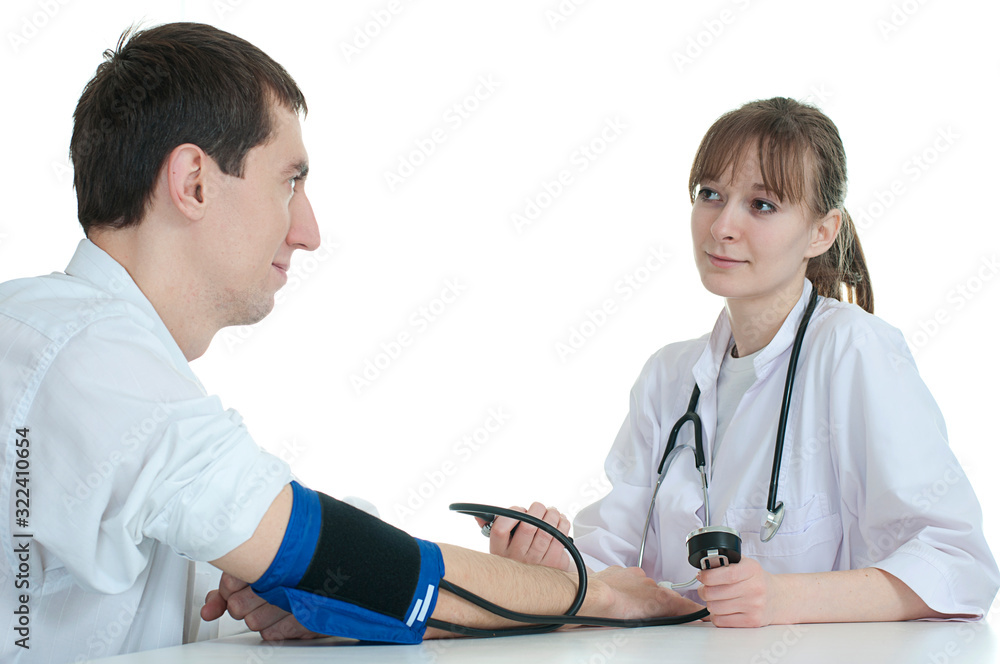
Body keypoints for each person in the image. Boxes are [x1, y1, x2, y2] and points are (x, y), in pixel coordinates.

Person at [0, 23, 697, 663]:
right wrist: (602, 596)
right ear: (193, 183)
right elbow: (328, 550)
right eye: (289, 182)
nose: (308, 232)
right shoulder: (87, 356)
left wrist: (313, 594)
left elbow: (305, 561)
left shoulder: (74, 344)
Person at [479, 97, 1000, 627]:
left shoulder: (854, 350)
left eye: (762, 204)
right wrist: (548, 564)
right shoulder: (667, 377)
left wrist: (783, 599)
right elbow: (614, 566)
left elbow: (958, 565)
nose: (722, 226)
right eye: (710, 194)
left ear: (821, 232)